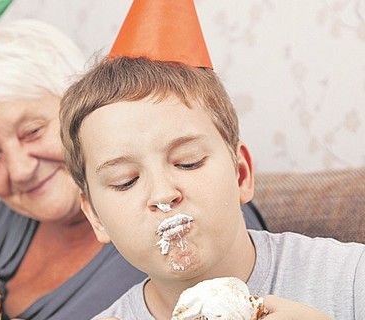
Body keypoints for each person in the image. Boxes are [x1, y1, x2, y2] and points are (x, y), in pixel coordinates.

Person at [59, 56, 365, 319]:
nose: (164, 195)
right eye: (125, 181)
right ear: (96, 218)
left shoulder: (352, 278)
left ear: (241, 174)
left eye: (188, 162)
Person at [0, 19, 148, 319]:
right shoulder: (10, 218)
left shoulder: (158, 222)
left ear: (81, 109)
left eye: (32, 131)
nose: (20, 170)